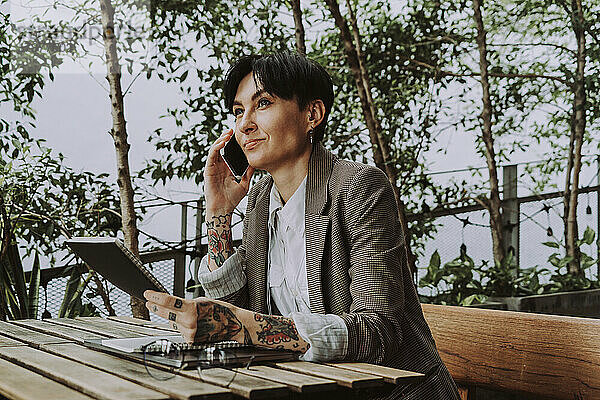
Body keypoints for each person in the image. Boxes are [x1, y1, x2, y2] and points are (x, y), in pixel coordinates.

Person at [144, 52, 460, 399]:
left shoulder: (358, 186)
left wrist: (241, 327)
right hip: (308, 387)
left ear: (312, 114)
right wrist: (218, 214)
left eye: (262, 103)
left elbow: (377, 332)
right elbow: (240, 307)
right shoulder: (262, 199)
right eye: (238, 111)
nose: (244, 124)